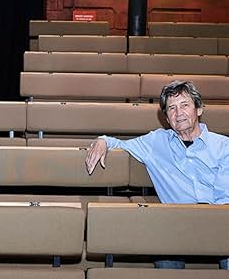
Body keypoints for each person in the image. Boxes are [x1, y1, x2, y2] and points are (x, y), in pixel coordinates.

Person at [85, 80, 229, 269]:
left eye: (185, 105)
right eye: (172, 108)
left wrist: (207, 226)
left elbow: (224, 199)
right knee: (164, 247)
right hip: (175, 224)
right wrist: (102, 141)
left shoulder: (224, 146)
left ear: (199, 109)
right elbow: (118, 143)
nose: (179, 114)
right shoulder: (155, 142)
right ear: (167, 119)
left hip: (219, 220)